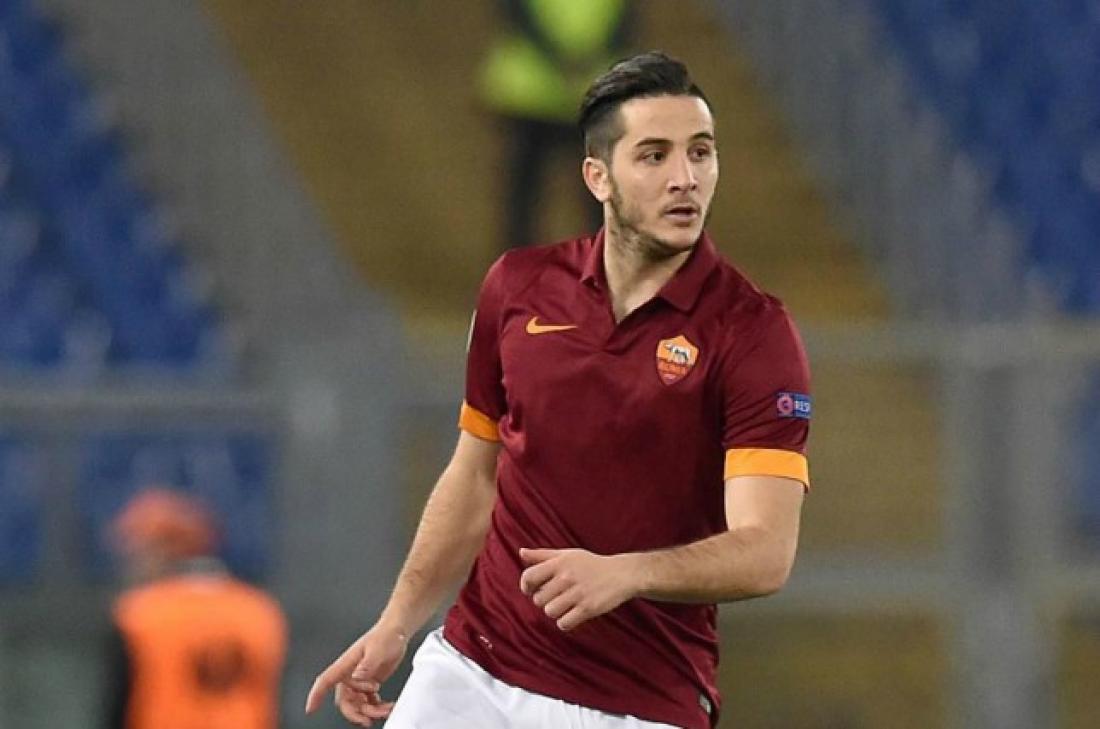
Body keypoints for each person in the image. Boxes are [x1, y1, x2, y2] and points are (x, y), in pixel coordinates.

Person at [306, 51, 811, 729]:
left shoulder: (752, 331)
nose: (685, 178)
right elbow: (476, 475)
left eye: (701, 151)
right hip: (472, 669)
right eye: (654, 155)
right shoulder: (517, 287)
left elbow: (766, 551)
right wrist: (396, 622)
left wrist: (629, 572)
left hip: (635, 702)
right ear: (598, 177)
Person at [103, 487, 288, 729]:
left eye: (138, 552)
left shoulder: (139, 616)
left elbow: (117, 709)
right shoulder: (259, 610)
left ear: (163, 551)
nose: (130, 565)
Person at [480, 0, 636, 250]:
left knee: (528, 187)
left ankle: (522, 257)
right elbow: (627, 22)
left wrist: (557, 55)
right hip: (577, 88)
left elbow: (515, 13)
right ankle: (603, 258)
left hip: (534, 88)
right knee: (597, 187)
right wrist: (587, 56)